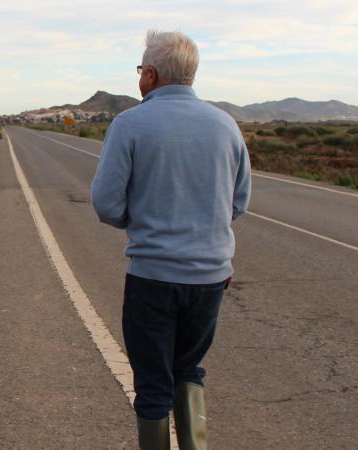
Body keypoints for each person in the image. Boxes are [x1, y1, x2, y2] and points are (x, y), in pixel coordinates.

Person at [90, 30, 251, 450]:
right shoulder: (226, 125)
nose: (140, 76)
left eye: (141, 69)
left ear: (151, 75)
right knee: (188, 370)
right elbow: (238, 202)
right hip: (211, 279)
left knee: (153, 384)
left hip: (153, 277)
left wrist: (144, 220)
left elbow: (106, 204)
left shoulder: (130, 123)